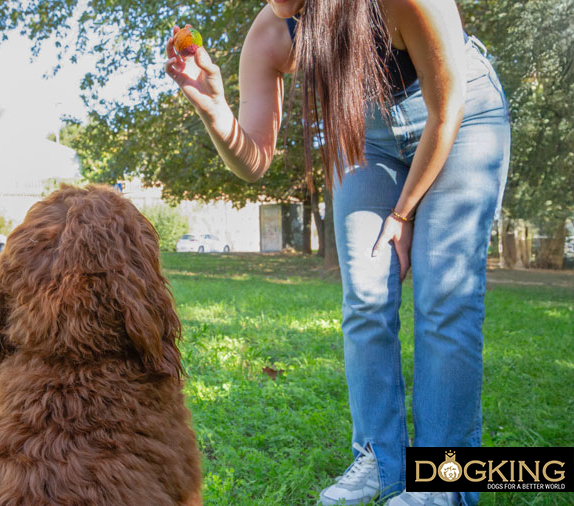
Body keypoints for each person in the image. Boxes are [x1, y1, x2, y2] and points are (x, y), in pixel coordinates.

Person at [165, 1, 509, 505]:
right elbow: (255, 160)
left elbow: (447, 108)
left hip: (461, 115)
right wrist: (215, 108)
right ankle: (381, 461)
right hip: (367, 135)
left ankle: (445, 483)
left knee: (444, 297)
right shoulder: (273, 33)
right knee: (366, 295)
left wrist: (403, 214)